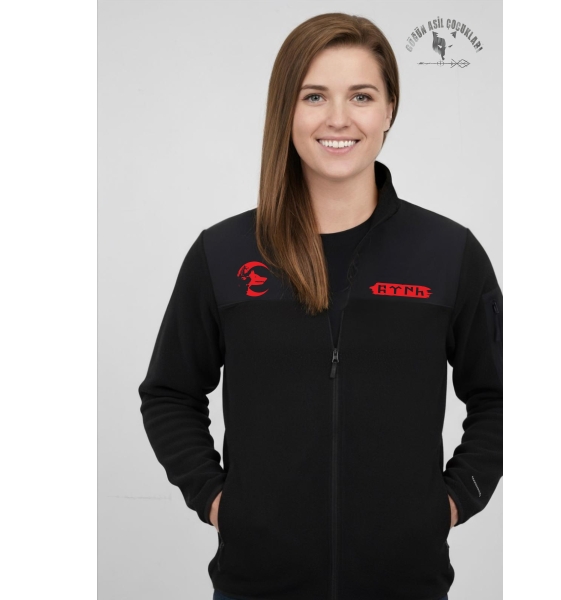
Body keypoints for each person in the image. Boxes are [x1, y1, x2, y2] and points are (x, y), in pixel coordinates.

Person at [138, 12, 502, 600]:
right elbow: (169, 393)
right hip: (256, 586)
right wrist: (218, 499)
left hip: (405, 585)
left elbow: (503, 396)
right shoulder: (224, 253)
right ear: (286, 110)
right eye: (314, 96)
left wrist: (454, 500)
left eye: (361, 96)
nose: (338, 118)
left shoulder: (448, 254)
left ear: (389, 110)